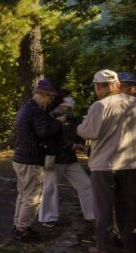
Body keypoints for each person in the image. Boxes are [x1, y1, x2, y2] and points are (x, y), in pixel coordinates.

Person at [77, 69, 136, 253]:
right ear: (116, 84)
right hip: (131, 162)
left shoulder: (100, 105)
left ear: (98, 86)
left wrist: (78, 126)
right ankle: (130, 245)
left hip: (105, 163)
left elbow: (88, 132)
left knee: (103, 207)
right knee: (129, 206)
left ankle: (104, 247)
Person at [10, 79, 62, 241]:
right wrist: (57, 123)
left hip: (20, 157)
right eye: (49, 98)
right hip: (31, 159)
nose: (50, 102)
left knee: (23, 195)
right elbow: (43, 133)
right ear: (43, 96)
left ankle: (18, 225)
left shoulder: (26, 108)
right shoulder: (37, 111)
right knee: (32, 197)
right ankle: (22, 229)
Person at [38, 96, 95, 233]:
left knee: (86, 185)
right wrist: (71, 145)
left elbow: (79, 136)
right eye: (64, 106)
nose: (66, 109)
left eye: (68, 107)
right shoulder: (49, 119)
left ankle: (92, 214)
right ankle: (47, 218)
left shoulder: (72, 120)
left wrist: (79, 145)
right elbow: (48, 138)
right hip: (54, 158)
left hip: (70, 159)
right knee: (50, 188)